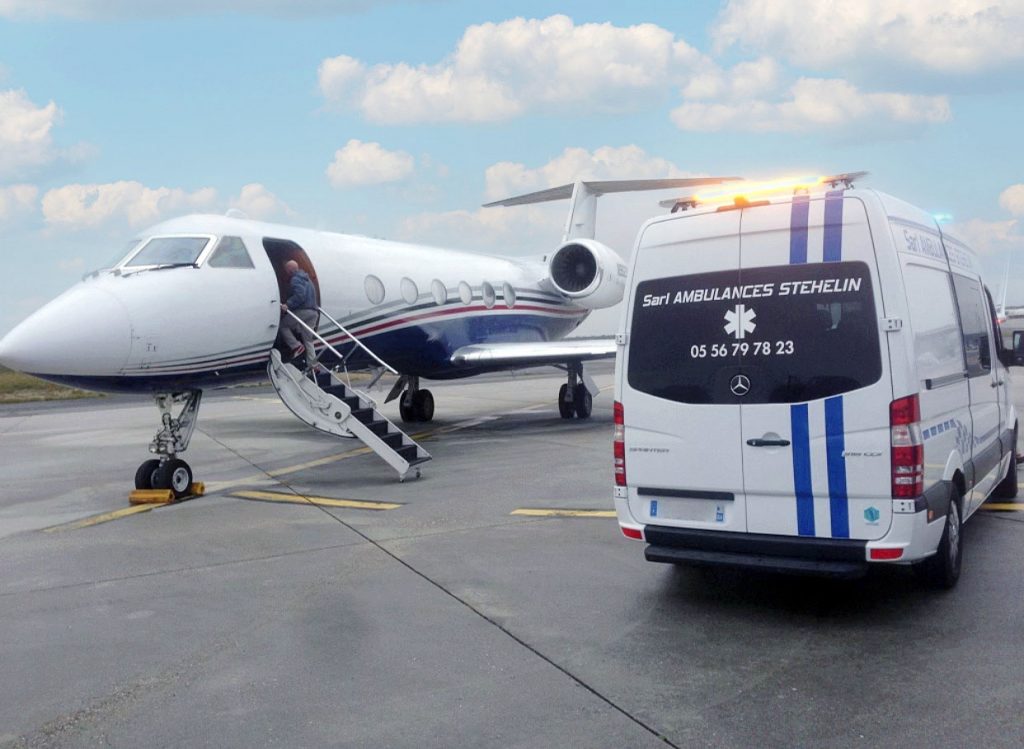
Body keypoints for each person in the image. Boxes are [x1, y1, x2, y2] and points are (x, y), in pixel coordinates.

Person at [279, 260, 318, 371]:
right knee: (308, 339)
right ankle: (313, 365)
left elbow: (300, 296)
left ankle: (296, 346)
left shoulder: (295, 279)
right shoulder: (307, 279)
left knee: (283, 326)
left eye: (286, 270)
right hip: (314, 312)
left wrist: (288, 304)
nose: (286, 272)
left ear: (290, 270)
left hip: (303, 311)